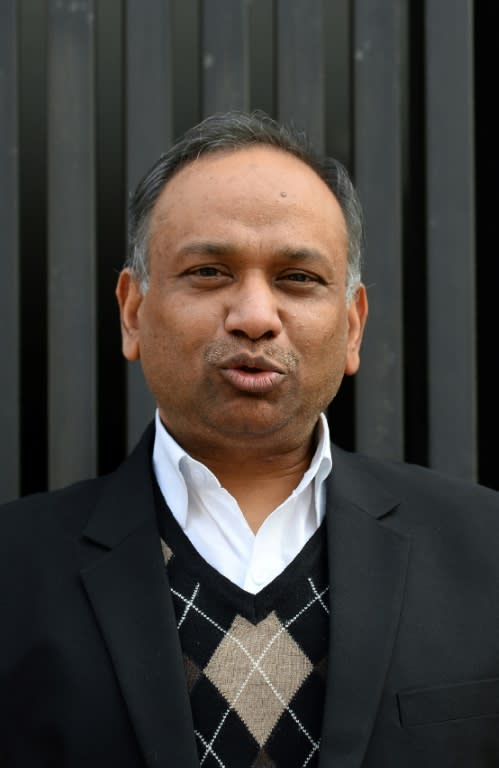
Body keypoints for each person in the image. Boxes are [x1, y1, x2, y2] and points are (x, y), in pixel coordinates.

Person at [1, 110, 498, 768]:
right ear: (132, 312)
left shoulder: (486, 548)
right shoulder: (13, 568)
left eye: (297, 278)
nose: (256, 317)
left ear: (351, 327)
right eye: (208, 272)